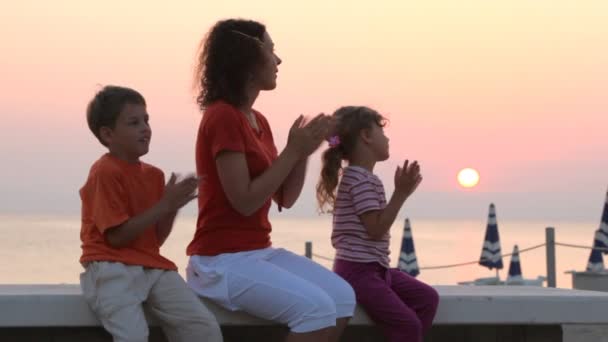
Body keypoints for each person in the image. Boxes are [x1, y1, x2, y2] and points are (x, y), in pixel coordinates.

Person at [186, 19, 356, 342]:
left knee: (343, 298)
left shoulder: (258, 121)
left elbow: (285, 198)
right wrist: (293, 151)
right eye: (271, 51)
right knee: (317, 310)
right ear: (247, 59)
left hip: (256, 251)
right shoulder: (222, 116)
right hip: (219, 261)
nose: (278, 61)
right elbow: (245, 200)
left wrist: (304, 150)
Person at [79, 85, 222, 342]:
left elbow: (154, 240)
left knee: (204, 329)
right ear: (108, 134)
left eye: (146, 120)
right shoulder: (104, 172)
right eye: (134, 122)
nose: (145, 128)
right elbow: (116, 238)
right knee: (133, 337)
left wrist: (172, 206)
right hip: (110, 267)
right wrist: (165, 205)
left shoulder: (154, 175)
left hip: (151, 266)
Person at [316, 106, 439, 342]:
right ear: (366, 136)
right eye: (381, 131)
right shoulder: (359, 179)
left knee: (427, 298)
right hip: (358, 272)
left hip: (375, 269)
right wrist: (400, 194)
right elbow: (376, 229)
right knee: (408, 325)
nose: (387, 137)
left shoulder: (362, 178)